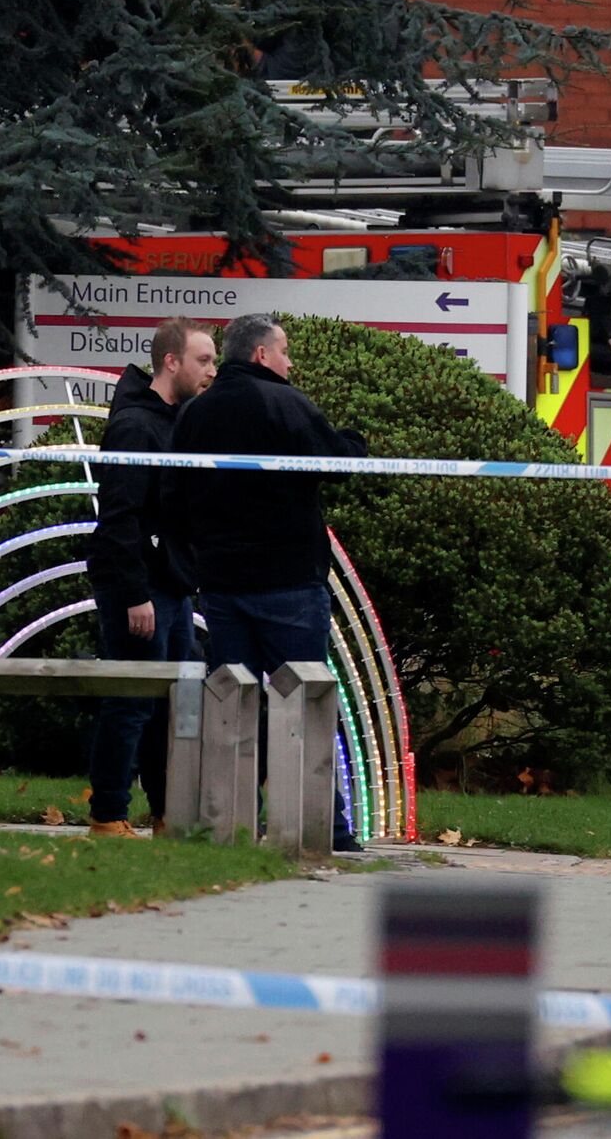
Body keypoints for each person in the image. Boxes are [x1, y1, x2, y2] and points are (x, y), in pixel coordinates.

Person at [165, 313, 369, 852]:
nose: (290, 361)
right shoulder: (286, 403)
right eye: (284, 351)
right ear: (260, 355)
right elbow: (338, 463)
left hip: (223, 585)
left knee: (234, 702)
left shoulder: (195, 414)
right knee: (306, 701)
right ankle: (326, 825)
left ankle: (232, 819)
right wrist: (356, 441)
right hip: (288, 582)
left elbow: (175, 496)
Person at [82, 317, 218, 838]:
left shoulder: (178, 419)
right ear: (171, 361)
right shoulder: (137, 426)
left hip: (174, 586)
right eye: (203, 360)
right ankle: (109, 813)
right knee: (131, 700)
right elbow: (120, 518)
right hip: (139, 588)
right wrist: (135, 594)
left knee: (176, 704)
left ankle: (167, 811)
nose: (211, 371)